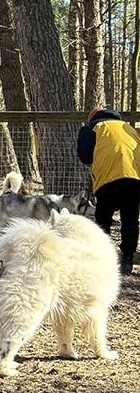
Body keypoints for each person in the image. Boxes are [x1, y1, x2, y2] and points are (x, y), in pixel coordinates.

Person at [77, 106, 140, 275]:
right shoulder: (127, 127)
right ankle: (127, 259)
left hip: (108, 178)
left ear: (93, 117)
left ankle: (101, 259)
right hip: (134, 177)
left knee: (103, 218)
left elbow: (85, 156)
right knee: (130, 219)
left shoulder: (92, 127)